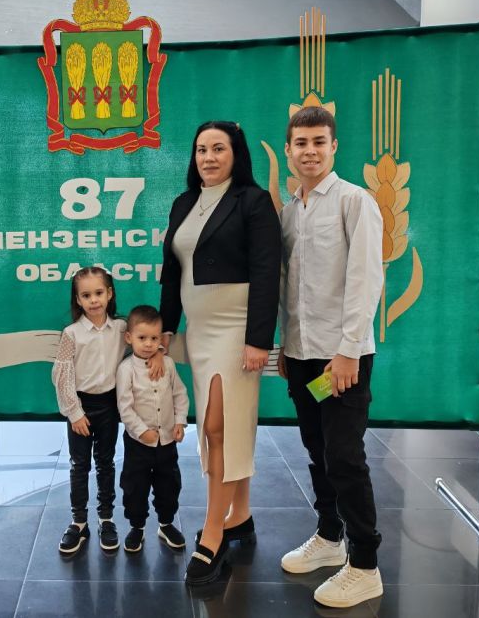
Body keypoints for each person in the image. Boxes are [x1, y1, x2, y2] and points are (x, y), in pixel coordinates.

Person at [159, 121, 281, 585]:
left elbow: (267, 271)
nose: (208, 157)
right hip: (200, 329)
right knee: (226, 424)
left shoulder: (252, 201)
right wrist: (168, 326)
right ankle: (239, 514)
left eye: (218, 149)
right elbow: (173, 271)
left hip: (237, 328)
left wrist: (258, 339)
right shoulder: (184, 202)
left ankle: (213, 534)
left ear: (235, 154)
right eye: (201, 149)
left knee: (218, 425)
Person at [278, 105, 384, 608]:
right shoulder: (289, 211)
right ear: (288, 150)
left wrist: (348, 352)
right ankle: (328, 535)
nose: (310, 151)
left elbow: (366, 280)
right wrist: (286, 345)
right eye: (301, 143)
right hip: (303, 357)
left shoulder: (354, 201)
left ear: (334, 146)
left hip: (340, 361)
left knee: (344, 455)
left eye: (319, 141)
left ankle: (364, 564)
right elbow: (289, 287)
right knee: (317, 448)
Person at [52, 267, 164, 554]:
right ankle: (79, 522)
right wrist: (74, 412)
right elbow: (63, 375)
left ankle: (106, 518)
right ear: (78, 300)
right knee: (79, 464)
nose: (94, 300)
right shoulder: (72, 334)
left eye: (99, 293)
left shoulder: (121, 328)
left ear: (110, 294)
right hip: (81, 407)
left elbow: (145, 338)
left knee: (106, 462)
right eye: (86, 295)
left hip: (109, 406)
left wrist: (160, 353)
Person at [116, 305, 189, 554]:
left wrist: (179, 422)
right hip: (138, 444)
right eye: (142, 338)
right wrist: (141, 431)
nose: (148, 344)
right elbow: (125, 407)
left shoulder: (167, 364)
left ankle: (166, 524)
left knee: (169, 484)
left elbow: (180, 394)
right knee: (135, 486)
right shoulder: (126, 369)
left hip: (166, 441)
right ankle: (136, 527)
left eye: (154, 338)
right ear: (129, 338)